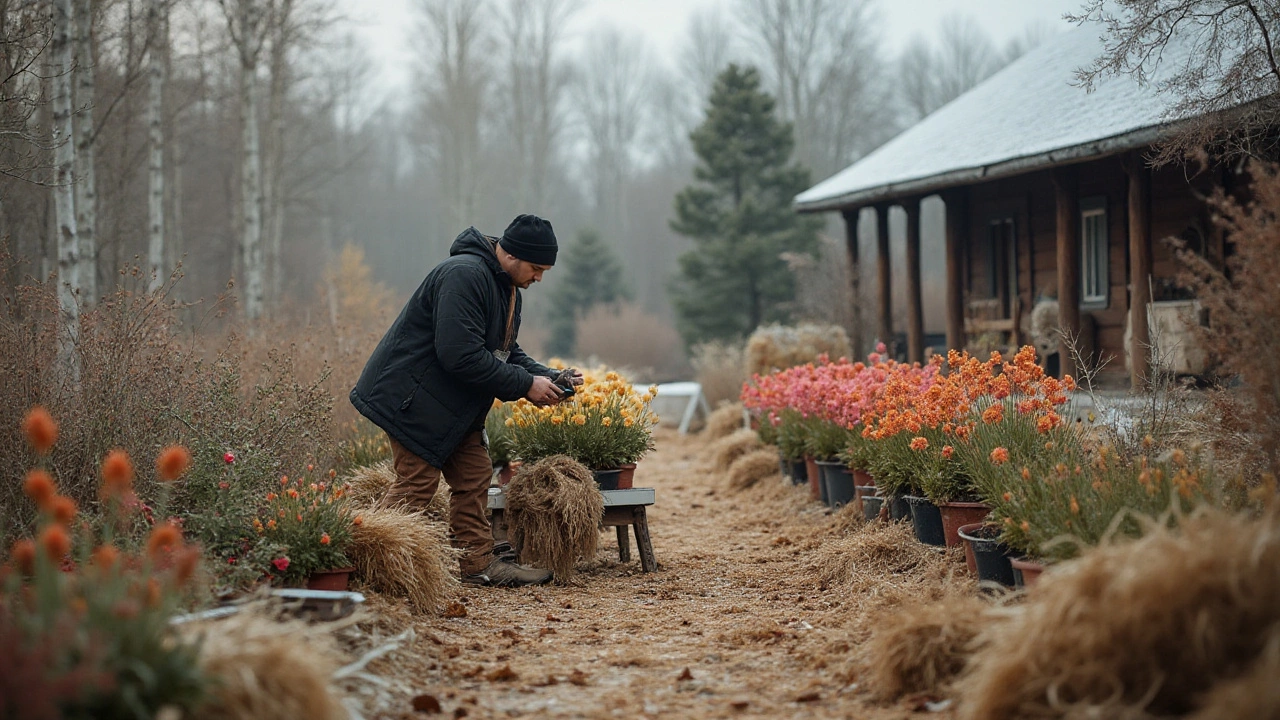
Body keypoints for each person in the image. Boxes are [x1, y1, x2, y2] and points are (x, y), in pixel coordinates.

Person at [350, 214, 580, 587]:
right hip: (412, 401)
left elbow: (504, 350)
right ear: (512, 255)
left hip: (448, 407)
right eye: (537, 268)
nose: (539, 277)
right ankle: (359, 562)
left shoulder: (504, 287)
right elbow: (459, 355)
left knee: (473, 476)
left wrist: (549, 378)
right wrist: (526, 386)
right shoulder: (464, 275)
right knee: (417, 486)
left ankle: (477, 565)